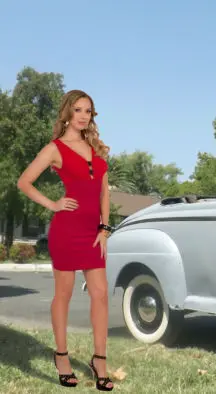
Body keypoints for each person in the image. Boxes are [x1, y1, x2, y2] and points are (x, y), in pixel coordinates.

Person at [17, 89, 114, 391]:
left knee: (100, 294)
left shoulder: (96, 147)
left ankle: (100, 359)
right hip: (67, 230)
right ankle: (62, 356)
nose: (84, 115)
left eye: (88, 111)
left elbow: (104, 191)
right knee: (64, 294)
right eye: (78, 110)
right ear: (67, 114)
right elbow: (24, 181)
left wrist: (104, 227)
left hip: (92, 232)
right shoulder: (55, 148)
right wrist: (53, 204)